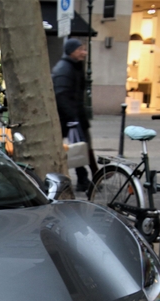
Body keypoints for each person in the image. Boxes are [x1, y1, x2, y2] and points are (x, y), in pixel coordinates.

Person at [52, 38, 98, 192]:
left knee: (82, 147)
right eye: (81, 49)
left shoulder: (74, 66)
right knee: (78, 148)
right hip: (69, 117)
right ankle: (87, 178)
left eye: (84, 49)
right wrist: (73, 117)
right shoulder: (65, 68)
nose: (84, 53)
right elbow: (61, 95)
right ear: (71, 51)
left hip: (75, 116)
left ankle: (89, 176)